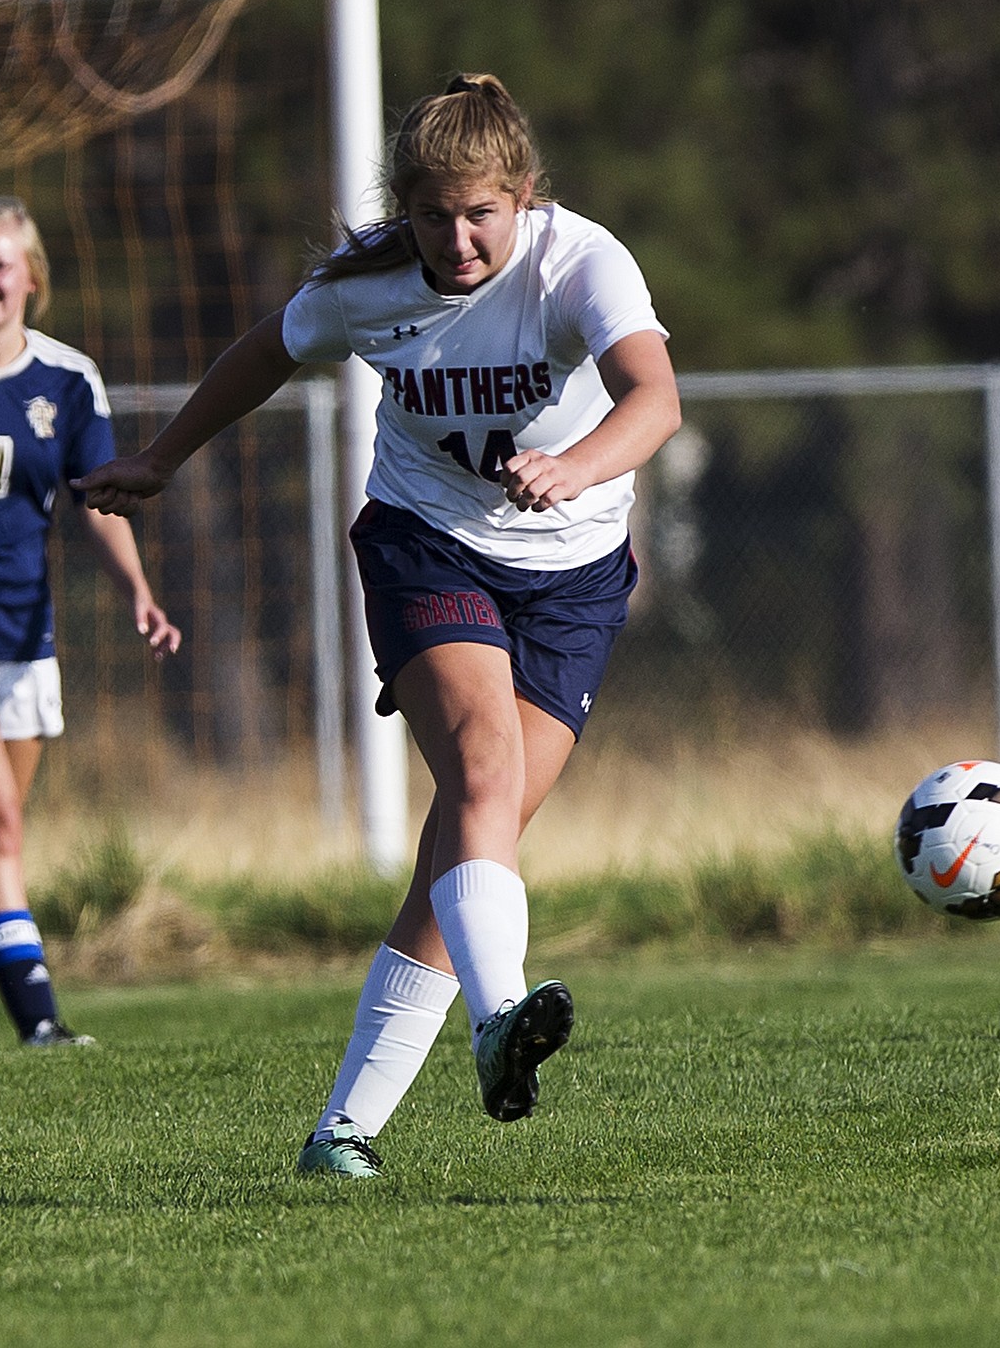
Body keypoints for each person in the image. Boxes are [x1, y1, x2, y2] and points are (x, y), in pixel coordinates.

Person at [76, 72, 681, 1175]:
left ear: (525, 196)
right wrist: (161, 459)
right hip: (426, 547)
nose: (456, 238)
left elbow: (655, 397)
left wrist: (575, 464)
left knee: (464, 850)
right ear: (403, 208)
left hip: (576, 575)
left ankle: (341, 1132)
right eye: (434, 214)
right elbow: (268, 349)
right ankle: (500, 1020)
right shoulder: (365, 285)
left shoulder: (582, 261)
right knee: (484, 781)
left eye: (480, 213)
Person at [0, 196, 180, 1050]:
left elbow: (99, 503)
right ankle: (40, 1022)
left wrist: (139, 594)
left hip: (22, 636)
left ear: (30, 277)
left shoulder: (69, 379)